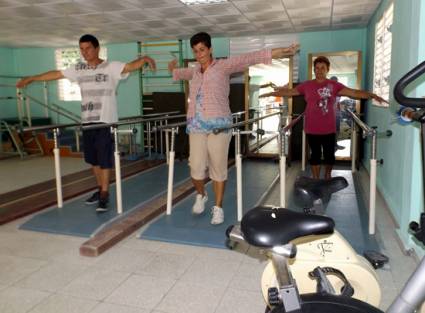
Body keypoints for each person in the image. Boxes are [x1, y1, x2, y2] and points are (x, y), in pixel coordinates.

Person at [168, 31, 299, 225]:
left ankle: (218, 207)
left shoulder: (222, 66)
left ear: (210, 49)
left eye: (202, 50)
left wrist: (282, 51)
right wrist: (172, 67)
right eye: (196, 51)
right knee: (195, 166)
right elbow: (179, 72)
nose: (199, 54)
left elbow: (251, 58)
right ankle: (201, 195)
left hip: (219, 125)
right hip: (196, 124)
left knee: (218, 166)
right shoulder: (194, 71)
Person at [16, 34, 156, 212]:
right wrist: (32, 78)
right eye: (81, 49)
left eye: (88, 48)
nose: (85, 52)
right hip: (88, 122)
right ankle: (100, 190)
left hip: (105, 122)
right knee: (94, 161)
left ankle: (104, 195)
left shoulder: (111, 67)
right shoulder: (79, 69)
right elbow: (56, 74)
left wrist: (144, 58)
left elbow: (130, 66)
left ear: (97, 48)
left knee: (104, 160)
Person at [260, 56, 387, 180]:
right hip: (312, 127)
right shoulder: (307, 85)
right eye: (317, 68)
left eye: (322, 68)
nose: (319, 70)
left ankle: (327, 175)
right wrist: (272, 93)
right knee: (315, 155)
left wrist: (372, 95)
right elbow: (289, 92)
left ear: (327, 69)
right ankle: (315, 178)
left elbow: (354, 93)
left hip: (329, 128)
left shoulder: (334, 85)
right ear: (314, 70)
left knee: (329, 155)